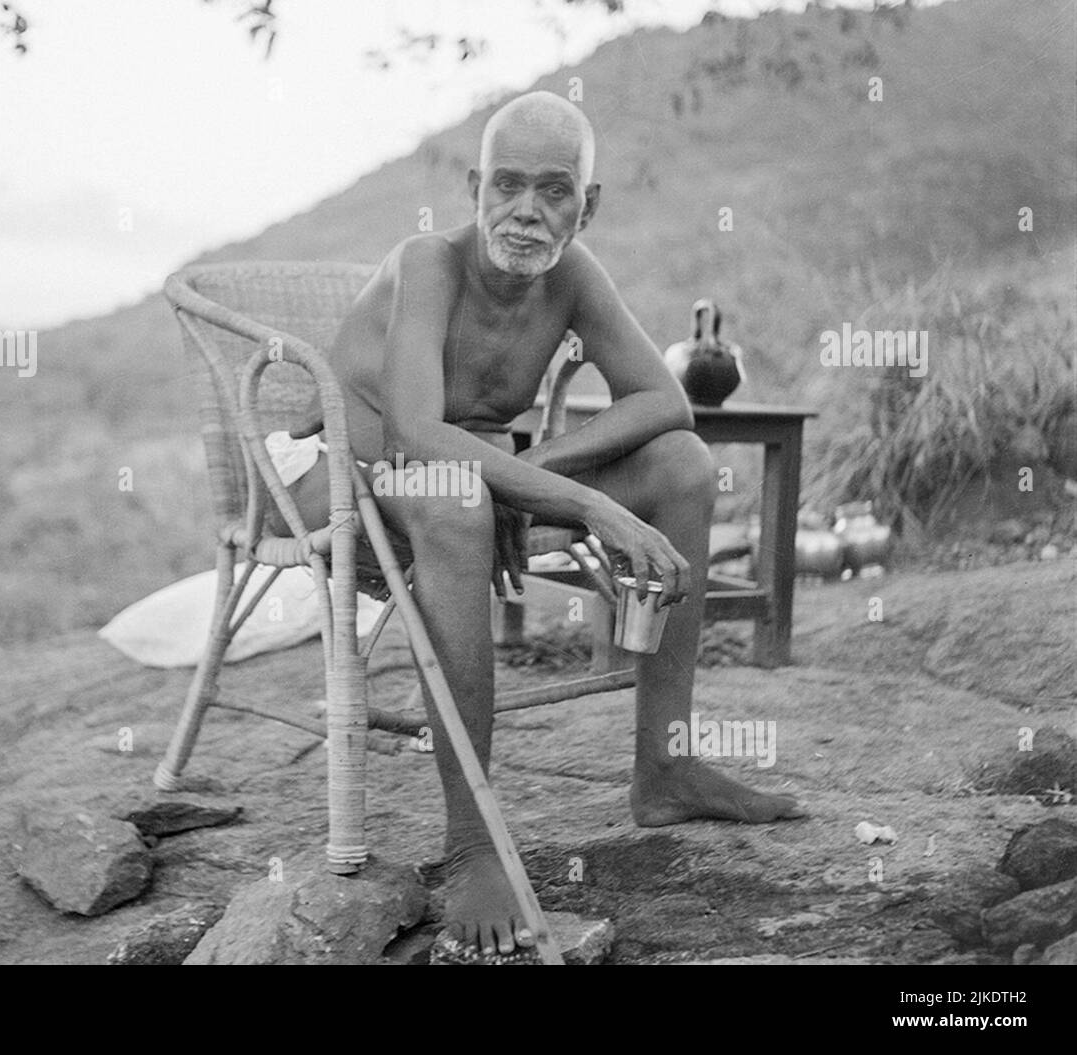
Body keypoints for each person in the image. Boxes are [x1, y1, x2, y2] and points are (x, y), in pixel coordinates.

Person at [274, 90, 802, 957]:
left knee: (683, 466)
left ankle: (664, 767)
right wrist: (580, 500)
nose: (527, 211)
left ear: (586, 206)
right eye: (508, 186)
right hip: (347, 488)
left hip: (467, 479)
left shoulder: (574, 277)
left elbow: (664, 400)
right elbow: (414, 432)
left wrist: (533, 481)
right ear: (477, 187)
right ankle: (472, 841)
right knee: (456, 495)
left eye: (554, 191)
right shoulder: (427, 262)